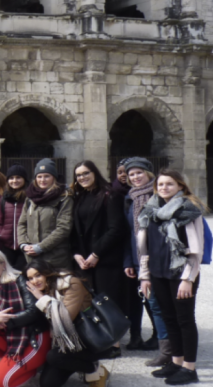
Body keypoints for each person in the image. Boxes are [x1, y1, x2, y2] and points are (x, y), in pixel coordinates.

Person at [137, 169, 205, 386]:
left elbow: (196, 249)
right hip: (158, 272)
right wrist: (145, 276)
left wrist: (188, 279)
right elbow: (145, 248)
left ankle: (189, 368)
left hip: (181, 274)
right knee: (169, 318)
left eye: (170, 184)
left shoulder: (188, 210)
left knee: (185, 320)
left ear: (181, 187)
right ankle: (176, 362)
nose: (164, 188)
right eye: (161, 184)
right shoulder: (151, 210)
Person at [69, 160, 127, 357]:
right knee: (90, 301)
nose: (82, 177)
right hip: (85, 258)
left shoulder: (110, 195)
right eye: (78, 175)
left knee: (108, 301)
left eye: (86, 173)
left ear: (95, 172)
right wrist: (76, 253)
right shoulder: (80, 197)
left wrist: (96, 254)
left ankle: (114, 345)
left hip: (105, 257)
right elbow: (76, 230)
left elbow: (116, 229)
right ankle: (99, 339)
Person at [0, 249, 51, 386]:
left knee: (0, 382)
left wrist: (7, 321)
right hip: (13, 338)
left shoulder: (20, 280)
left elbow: (34, 311)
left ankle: (27, 368)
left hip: (34, 337)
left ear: (3, 265)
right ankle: (10, 364)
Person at [26, 259, 110, 387]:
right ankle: (76, 364)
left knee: (54, 356)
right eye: (30, 278)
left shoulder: (70, 283)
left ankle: (95, 368)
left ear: (47, 273)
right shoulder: (43, 290)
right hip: (65, 342)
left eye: (38, 275)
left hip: (88, 339)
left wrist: (42, 299)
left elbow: (66, 318)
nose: (35, 281)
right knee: (48, 383)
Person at [123, 157, 168, 363]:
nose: (135, 177)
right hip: (137, 258)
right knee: (148, 301)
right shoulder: (131, 197)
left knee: (157, 303)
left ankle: (165, 345)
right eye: (131, 174)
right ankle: (161, 341)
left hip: (156, 258)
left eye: (139, 173)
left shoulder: (158, 196)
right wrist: (129, 261)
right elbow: (129, 233)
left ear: (149, 174)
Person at [17, 158, 74, 269]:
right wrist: (23, 244)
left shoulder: (64, 197)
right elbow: (22, 224)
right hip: (32, 259)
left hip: (56, 258)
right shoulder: (30, 198)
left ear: (54, 178)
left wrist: (41, 247)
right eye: (39, 176)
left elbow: (63, 228)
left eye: (47, 176)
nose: (42, 180)